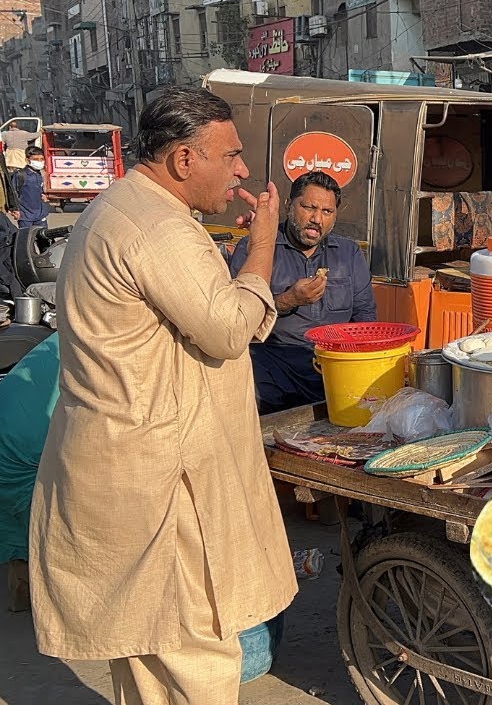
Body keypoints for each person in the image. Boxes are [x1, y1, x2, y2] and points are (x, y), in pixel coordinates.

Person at [28, 86, 295, 704]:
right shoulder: (157, 228)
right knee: (192, 643)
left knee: (150, 651)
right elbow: (228, 328)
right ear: (183, 160)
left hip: (126, 463)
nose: (242, 171)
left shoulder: (124, 208)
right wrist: (261, 247)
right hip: (161, 479)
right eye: (229, 156)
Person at [230, 170, 377, 414]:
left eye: (327, 212)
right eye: (309, 207)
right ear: (289, 204)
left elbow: (364, 317)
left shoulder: (348, 253)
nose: (317, 219)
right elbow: (236, 318)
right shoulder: (257, 246)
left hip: (333, 369)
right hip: (273, 368)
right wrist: (288, 300)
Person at [0, 332, 60, 613]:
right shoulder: (100, 342)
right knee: (49, 516)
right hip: (28, 440)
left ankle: (23, 589)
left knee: (14, 515)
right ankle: (55, 603)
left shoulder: (61, 338)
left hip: (8, 422)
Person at [7, 146, 49, 228]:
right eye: (36, 159)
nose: (40, 161)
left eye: (42, 159)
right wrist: (14, 209)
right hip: (25, 216)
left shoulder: (42, 174)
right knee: (26, 238)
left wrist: (46, 197)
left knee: (43, 238)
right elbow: (12, 192)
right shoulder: (20, 175)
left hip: (41, 215)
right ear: (27, 160)